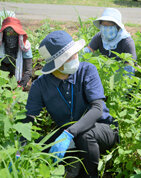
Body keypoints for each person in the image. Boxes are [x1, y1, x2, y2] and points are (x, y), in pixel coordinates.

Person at [23, 31, 119, 177]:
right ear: (56, 64)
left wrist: (70, 133)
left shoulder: (87, 70)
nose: (76, 57)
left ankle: (91, 175)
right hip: (70, 135)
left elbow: (98, 108)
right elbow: (28, 118)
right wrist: (19, 150)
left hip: (101, 129)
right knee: (39, 145)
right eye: (69, 56)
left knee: (85, 135)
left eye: (75, 53)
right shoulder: (40, 86)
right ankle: (72, 165)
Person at [84, 8, 137, 74]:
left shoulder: (127, 42)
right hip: (105, 69)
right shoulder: (100, 37)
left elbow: (129, 65)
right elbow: (89, 50)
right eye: (104, 25)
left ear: (118, 27)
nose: (107, 29)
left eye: (110, 25)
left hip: (120, 73)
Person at [0, 17, 33, 88]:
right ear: (4, 34)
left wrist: (20, 86)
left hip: (19, 80)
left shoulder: (25, 47)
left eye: (14, 33)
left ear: (18, 35)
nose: (10, 37)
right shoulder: (1, 47)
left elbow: (28, 71)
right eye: (8, 33)